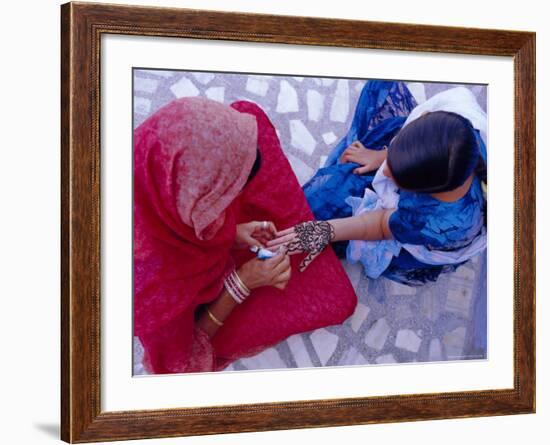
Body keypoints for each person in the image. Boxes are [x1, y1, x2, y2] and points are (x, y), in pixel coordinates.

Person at [133, 97, 357, 374]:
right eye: (228, 195)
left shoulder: (148, 155)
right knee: (334, 298)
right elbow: (178, 367)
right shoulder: (150, 293)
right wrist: (241, 283)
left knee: (249, 120)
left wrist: (233, 233)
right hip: (193, 306)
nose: (236, 201)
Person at [267, 81, 487, 286]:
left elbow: (382, 224)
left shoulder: (435, 222)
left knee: (320, 204)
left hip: (412, 230)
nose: (386, 172)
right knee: (380, 86)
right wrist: (381, 156)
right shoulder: (458, 125)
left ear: (424, 190)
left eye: (395, 174)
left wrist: (326, 230)